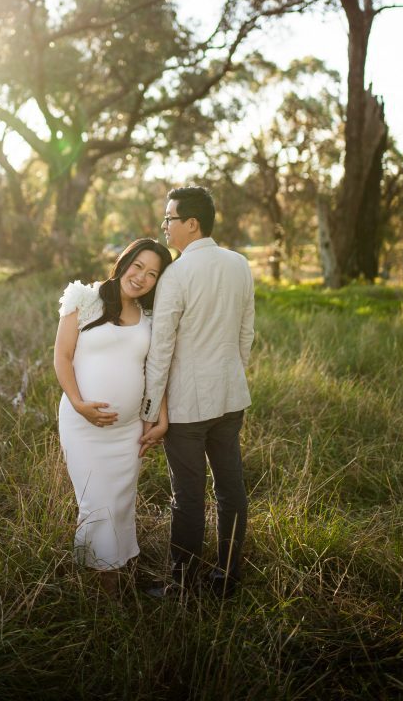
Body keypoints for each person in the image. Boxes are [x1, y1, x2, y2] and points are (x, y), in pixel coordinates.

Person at [139, 185, 255, 598]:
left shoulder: (177, 273)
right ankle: (227, 575)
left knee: (186, 497)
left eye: (169, 219)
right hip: (231, 398)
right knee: (230, 488)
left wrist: (150, 411)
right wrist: (230, 375)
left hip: (188, 408)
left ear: (192, 223)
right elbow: (246, 335)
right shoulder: (240, 264)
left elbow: (161, 347)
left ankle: (181, 583)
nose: (165, 227)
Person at [54, 237, 173, 599]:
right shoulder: (84, 300)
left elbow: (157, 373)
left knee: (121, 503)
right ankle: (106, 592)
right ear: (124, 262)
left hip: (128, 432)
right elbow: (62, 355)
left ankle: (112, 571)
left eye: (152, 274)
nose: (141, 277)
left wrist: (161, 419)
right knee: (97, 502)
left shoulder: (150, 318)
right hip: (83, 425)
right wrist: (77, 402)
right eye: (138, 266)